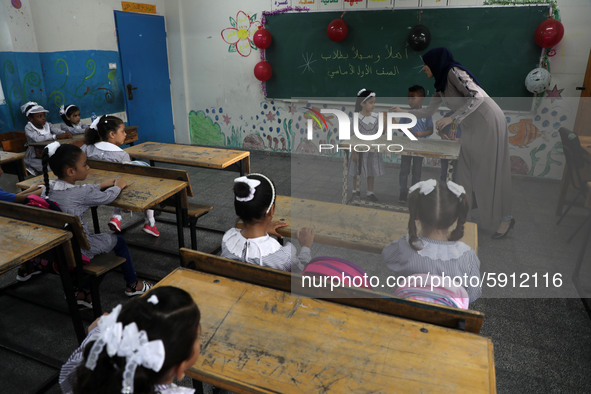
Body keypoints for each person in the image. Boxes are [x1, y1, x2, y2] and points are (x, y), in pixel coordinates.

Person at [395, 47, 514, 238]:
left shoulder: (453, 72)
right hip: (472, 127)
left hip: (487, 121)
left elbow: (477, 96)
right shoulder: (440, 86)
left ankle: (506, 218)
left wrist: (453, 119)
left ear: (435, 63)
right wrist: (402, 111)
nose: (424, 69)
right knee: (464, 171)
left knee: (490, 171)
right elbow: (426, 112)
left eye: (426, 65)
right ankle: (462, 215)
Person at [41, 141, 152, 301]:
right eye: (85, 165)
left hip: (58, 247)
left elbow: (84, 190)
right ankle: (132, 284)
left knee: (97, 236)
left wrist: (101, 184)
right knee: (119, 241)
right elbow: (108, 197)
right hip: (80, 250)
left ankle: (82, 289)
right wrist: (118, 186)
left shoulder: (48, 187)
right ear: (71, 171)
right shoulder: (81, 193)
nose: (88, 168)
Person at [59, 286, 201, 394]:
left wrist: (97, 332)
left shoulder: (88, 368)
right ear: (180, 368)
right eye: (197, 337)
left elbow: (67, 373)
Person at [382, 179, 482, 303]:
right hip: (447, 321)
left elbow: (387, 256)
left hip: (408, 316)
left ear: (416, 214)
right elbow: (473, 294)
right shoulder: (467, 256)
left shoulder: (404, 246)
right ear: (456, 217)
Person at [82, 115, 159, 237]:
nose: (125, 135)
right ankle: (150, 222)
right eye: (122, 131)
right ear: (112, 134)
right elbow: (127, 179)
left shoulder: (87, 148)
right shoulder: (122, 155)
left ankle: (117, 217)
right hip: (116, 191)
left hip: (94, 186)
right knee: (146, 182)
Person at [221, 173, 315, 272]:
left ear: (238, 209)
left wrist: (263, 229)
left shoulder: (228, 240)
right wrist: (306, 246)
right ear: (271, 210)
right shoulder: (283, 256)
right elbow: (302, 273)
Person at [398, 85, 433, 203]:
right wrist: (406, 129)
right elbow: (400, 127)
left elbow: (430, 130)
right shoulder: (406, 113)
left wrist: (422, 133)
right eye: (409, 98)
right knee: (404, 170)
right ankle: (403, 192)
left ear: (422, 99)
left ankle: (414, 192)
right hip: (406, 145)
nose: (410, 101)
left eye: (413, 98)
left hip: (420, 146)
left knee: (417, 171)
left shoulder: (426, 114)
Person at [349, 88, 385, 202]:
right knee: (356, 171)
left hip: (372, 150)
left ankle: (370, 192)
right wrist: (354, 152)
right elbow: (351, 137)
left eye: (374, 102)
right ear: (362, 103)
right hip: (359, 151)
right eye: (370, 102)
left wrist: (386, 123)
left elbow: (381, 133)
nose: (373, 105)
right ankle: (355, 192)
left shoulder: (376, 117)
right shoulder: (356, 118)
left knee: (371, 171)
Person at [22, 101, 72, 175]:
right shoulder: (28, 128)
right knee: (50, 169)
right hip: (36, 156)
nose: (43, 118)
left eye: (44, 115)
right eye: (39, 116)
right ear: (30, 119)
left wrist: (65, 133)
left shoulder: (47, 124)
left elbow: (58, 131)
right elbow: (37, 139)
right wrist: (55, 136)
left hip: (50, 152)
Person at [438, 110, 462, 181]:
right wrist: (442, 135)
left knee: (455, 174)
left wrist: (459, 139)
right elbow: (440, 131)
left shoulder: (465, 117)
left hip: (458, 150)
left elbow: (470, 135)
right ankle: (443, 189)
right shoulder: (447, 116)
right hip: (446, 148)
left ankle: (452, 190)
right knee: (444, 173)